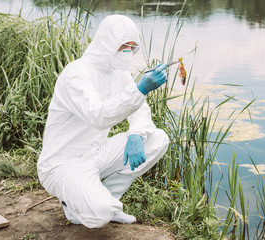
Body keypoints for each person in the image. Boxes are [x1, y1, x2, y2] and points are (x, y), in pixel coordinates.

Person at [37, 14, 169, 228]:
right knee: (99, 215)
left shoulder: (119, 73)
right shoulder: (77, 74)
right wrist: (141, 88)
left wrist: (136, 134)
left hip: (96, 153)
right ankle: (76, 206)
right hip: (62, 164)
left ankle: (109, 199)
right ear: (108, 43)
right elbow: (98, 115)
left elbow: (140, 111)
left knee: (157, 138)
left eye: (133, 47)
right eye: (125, 46)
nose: (129, 53)